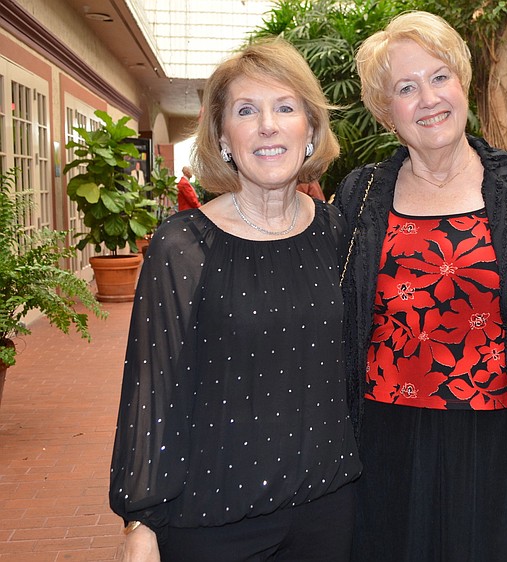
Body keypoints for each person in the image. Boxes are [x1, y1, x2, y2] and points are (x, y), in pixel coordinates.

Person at [109, 37, 361, 562]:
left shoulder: (338, 234)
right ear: (223, 137)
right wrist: (140, 520)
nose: (268, 125)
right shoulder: (182, 245)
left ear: (310, 129)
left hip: (329, 512)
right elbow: (152, 390)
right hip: (213, 523)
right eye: (247, 110)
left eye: (285, 107)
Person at [334, 11, 507, 562]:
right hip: (385, 437)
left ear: (462, 83)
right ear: (386, 110)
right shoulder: (360, 193)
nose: (428, 98)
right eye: (405, 88)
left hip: (497, 436)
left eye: (439, 77)